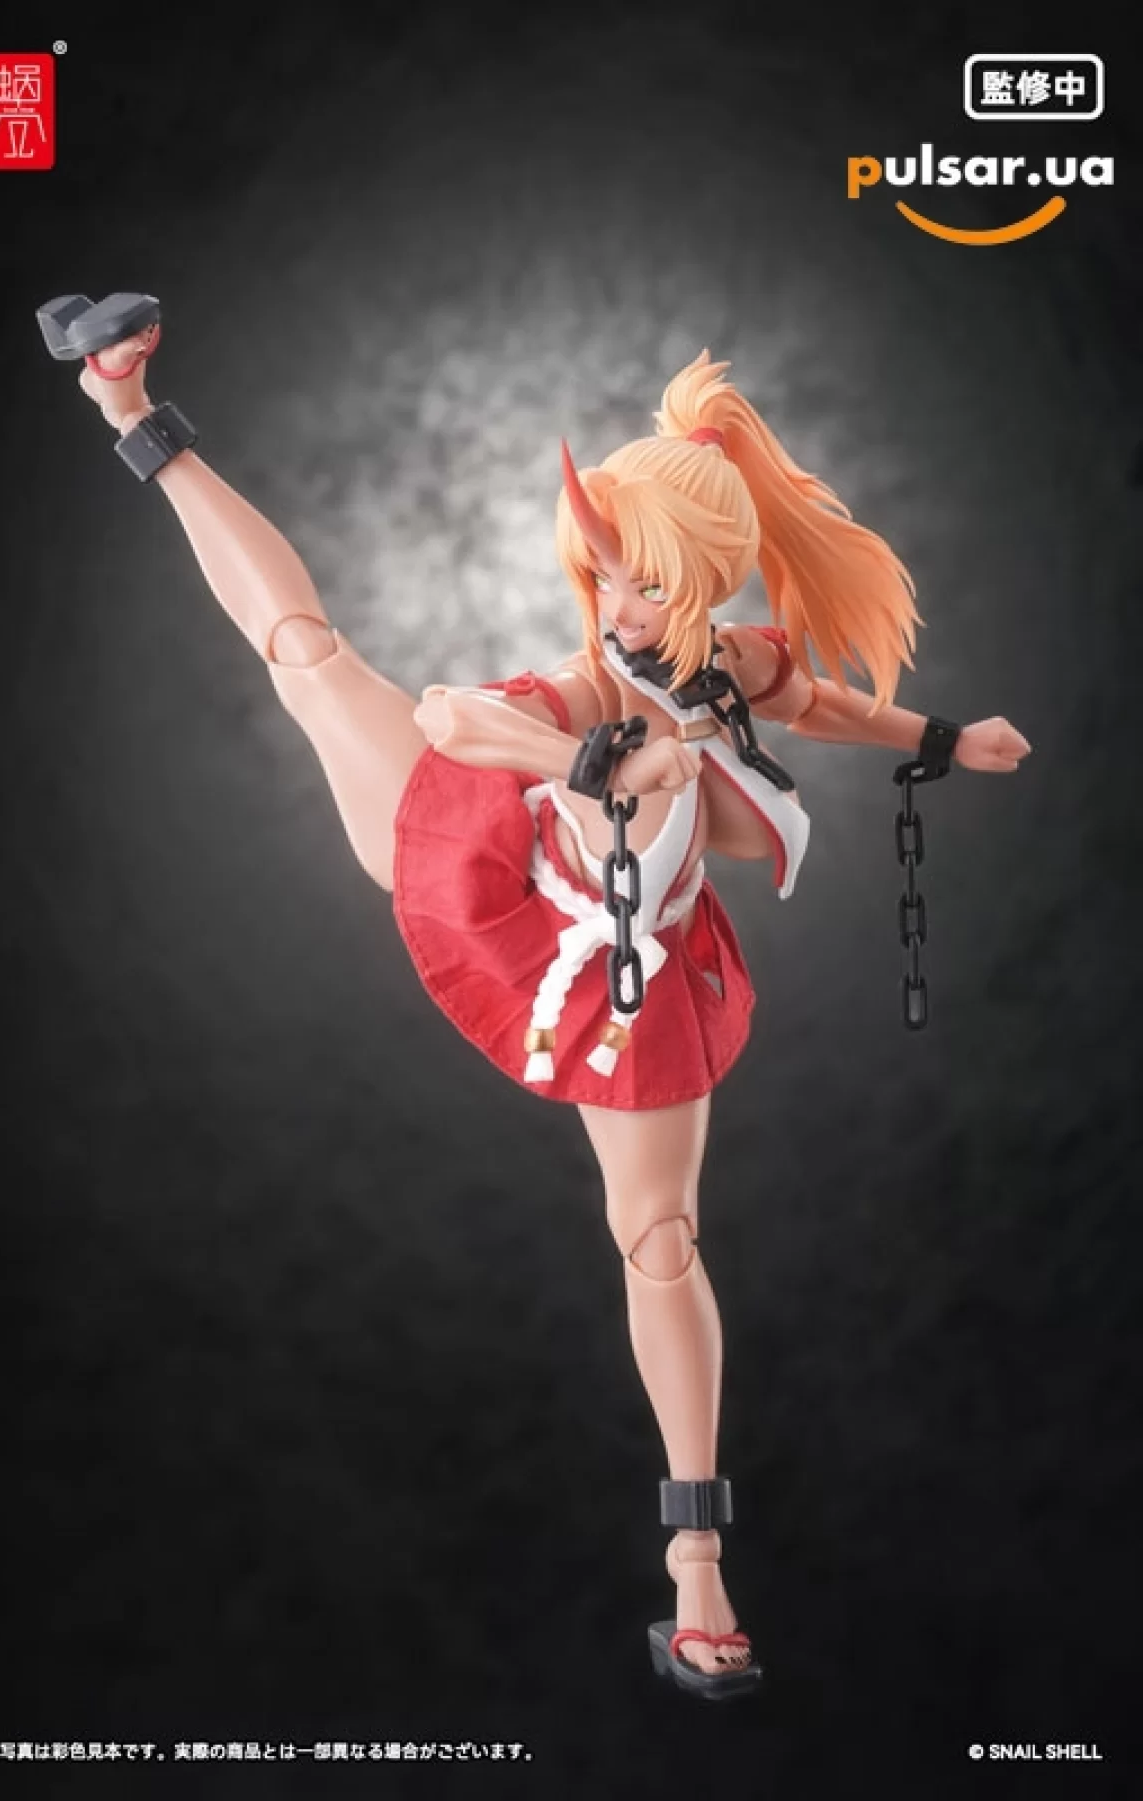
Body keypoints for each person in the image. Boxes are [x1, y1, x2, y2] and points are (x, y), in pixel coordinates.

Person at [74, 329, 1030, 1699]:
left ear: (706, 579)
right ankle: (129, 407)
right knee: (307, 653)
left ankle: (695, 1562)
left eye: (646, 580)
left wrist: (945, 740)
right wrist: (576, 755)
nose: (618, 602)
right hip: (491, 877)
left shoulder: (738, 664)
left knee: (660, 1241)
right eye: (605, 571)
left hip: (638, 969)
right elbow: (456, 723)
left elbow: (817, 703)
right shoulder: (590, 683)